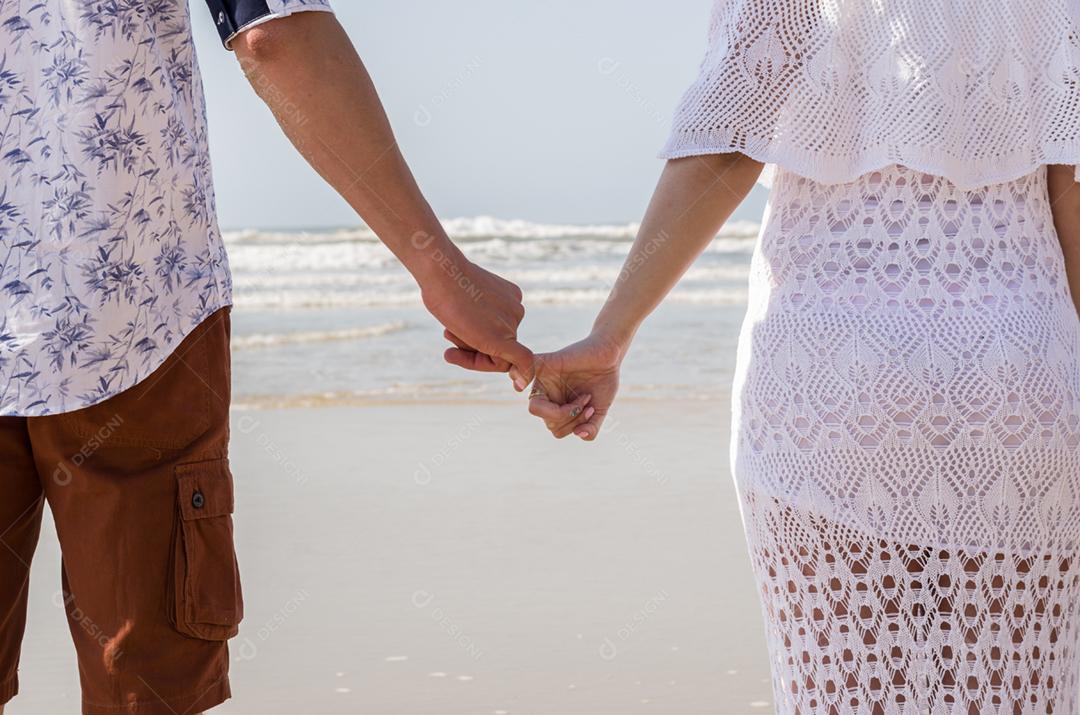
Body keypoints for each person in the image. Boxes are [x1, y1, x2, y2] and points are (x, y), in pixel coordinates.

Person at [479, 0, 1080, 712]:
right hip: (1021, 373)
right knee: (1012, 689)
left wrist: (611, 334)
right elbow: (1070, 178)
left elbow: (727, 143)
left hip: (829, 377)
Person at [0, 2, 531, 713]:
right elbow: (272, 35)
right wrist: (440, 268)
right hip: (130, 309)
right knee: (144, 693)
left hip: (128, 323)